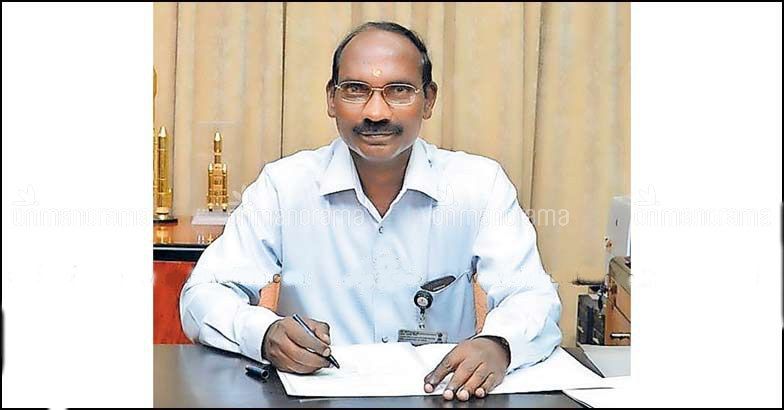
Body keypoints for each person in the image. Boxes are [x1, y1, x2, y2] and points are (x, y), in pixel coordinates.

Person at [180, 21, 562, 402]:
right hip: (319, 399)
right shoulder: (284, 186)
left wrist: (499, 344)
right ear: (331, 99)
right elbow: (204, 294)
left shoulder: (479, 184)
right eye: (355, 90)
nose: (376, 112)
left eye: (399, 91)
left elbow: (530, 293)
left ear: (429, 100)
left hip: (437, 397)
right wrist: (263, 333)